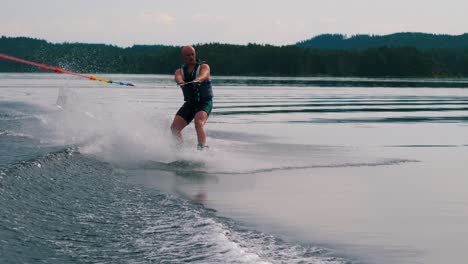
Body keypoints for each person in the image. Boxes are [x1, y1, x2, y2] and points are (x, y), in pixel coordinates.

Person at [171, 45, 213, 150]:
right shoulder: (179, 71)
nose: (191, 57)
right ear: (183, 57)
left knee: (198, 122)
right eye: (188, 55)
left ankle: (201, 149)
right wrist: (181, 82)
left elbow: (204, 75)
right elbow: (178, 78)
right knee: (174, 128)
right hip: (190, 104)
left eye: (192, 54)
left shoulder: (204, 67)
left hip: (204, 102)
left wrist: (198, 79)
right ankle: (179, 150)